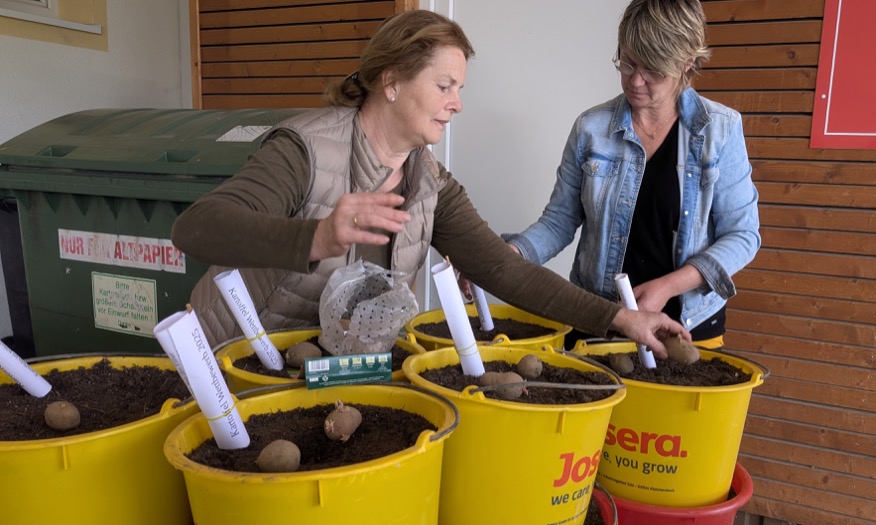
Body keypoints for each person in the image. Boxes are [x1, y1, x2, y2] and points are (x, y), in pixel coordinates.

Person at [171, 9, 690, 355]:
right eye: (444, 85)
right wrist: (316, 237)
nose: (457, 103)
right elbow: (196, 228)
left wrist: (621, 320)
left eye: (459, 88)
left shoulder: (431, 185)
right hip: (231, 365)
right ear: (391, 81)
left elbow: (505, 272)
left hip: (320, 373)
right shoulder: (305, 149)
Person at [501, 0, 761, 349]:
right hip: (600, 321)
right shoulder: (591, 128)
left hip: (687, 327)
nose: (635, 80)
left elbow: (743, 236)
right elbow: (559, 221)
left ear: (685, 63)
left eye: (652, 69)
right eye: (627, 63)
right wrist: (511, 255)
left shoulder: (721, 131)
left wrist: (667, 286)